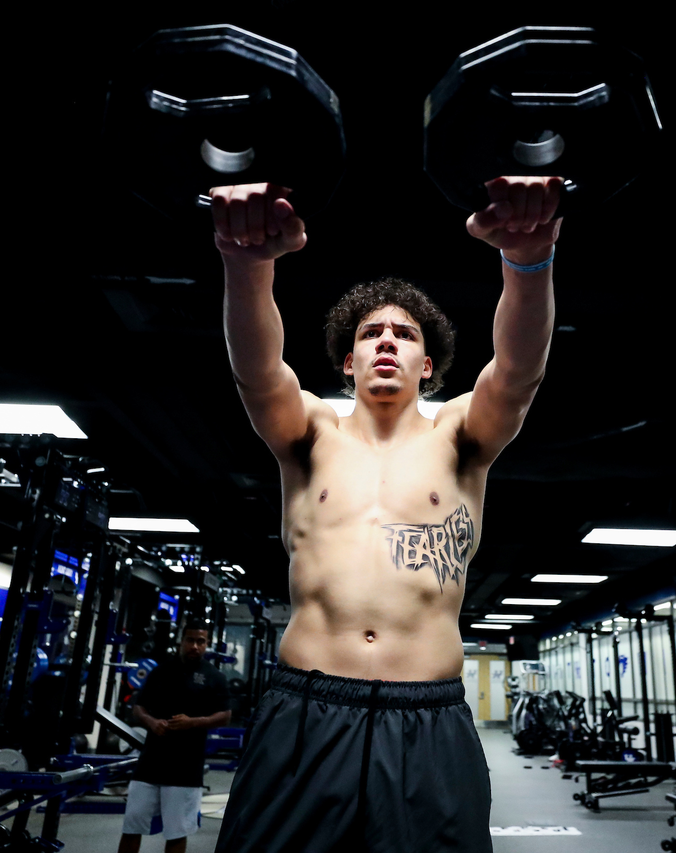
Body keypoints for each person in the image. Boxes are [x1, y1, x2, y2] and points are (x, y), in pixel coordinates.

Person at [209, 175, 562, 852]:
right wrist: (247, 264)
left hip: (427, 723)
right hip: (305, 715)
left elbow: (518, 372)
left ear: (428, 365)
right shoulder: (309, 430)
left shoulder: (461, 435)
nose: (388, 341)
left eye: (405, 334)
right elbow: (257, 372)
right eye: (373, 332)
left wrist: (528, 259)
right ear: (350, 359)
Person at [118, 622, 232, 853]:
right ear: (181, 641)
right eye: (190, 640)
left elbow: (225, 716)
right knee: (131, 825)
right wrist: (151, 722)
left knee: (177, 831)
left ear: (207, 644)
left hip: (185, 767)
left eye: (201, 641)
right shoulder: (161, 671)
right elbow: (139, 707)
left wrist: (193, 723)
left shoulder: (214, 677)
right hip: (150, 763)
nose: (195, 646)